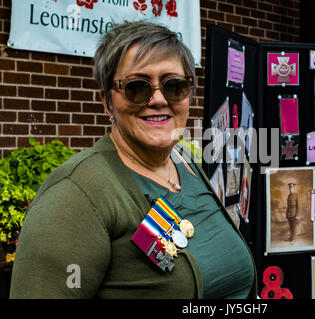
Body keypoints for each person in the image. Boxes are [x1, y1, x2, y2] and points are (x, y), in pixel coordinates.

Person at [10, 21, 257, 299]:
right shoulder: (76, 194)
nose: (158, 99)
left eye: (174, 85)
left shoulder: (184, 162)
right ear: (107, 102)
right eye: (137, 87)